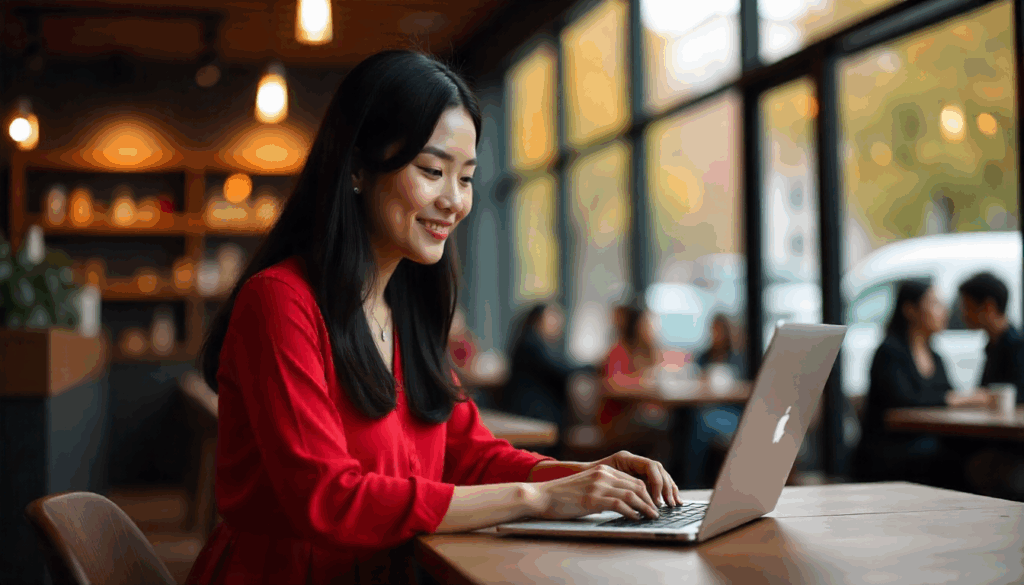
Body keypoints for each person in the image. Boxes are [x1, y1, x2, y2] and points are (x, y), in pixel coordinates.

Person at [187, 50, 679, 585]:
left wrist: (588, 475)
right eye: (431, 170)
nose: (454, 200)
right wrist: (536, 498)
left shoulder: (406, 309)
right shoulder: (280, 302)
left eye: (465, 178)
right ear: (356, 166)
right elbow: (327, 499)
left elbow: (467, 453)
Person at [854, 280, 988, 487]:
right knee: (955, 459)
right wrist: (958, 399)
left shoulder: (936, 356)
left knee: (975, 451)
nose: (943, 311)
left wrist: (960, 399)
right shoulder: (890, 352)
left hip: (925, 439)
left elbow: (947, 394)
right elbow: (903, 400)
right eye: (934, 304)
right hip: (891, 447)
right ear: (910, 310)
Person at [681, 314, 746, 488]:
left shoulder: (740, 358)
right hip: (705, 408)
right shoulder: (704, 355)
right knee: (689, 418)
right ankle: (685, 477)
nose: (715, 334)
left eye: (718, 330)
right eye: (712, 329)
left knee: (700, 422)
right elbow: (693, 379)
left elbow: (745, 389)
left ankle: (691, 482)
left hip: (735, 413)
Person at [597, 305, 670, 451]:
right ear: (637, 325)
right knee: (665, 426)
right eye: (648, 323)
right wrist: (643, 382)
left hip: (639, 415)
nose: (652, 328)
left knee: (676, 422)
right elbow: (612, 384)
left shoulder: (651, 353)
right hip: (617, 421)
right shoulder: (618, 350)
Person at [502, 303, 579, 432]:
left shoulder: (537, 343)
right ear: (538, 319)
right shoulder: (531, 344)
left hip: (535, 410)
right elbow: (559, 370)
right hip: (533, 412)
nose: (558, 323)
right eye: (553, 318)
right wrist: (590, 367)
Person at [959, 272, 1024, 403]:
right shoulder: (993, 345)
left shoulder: (1018, 346)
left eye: (967, 306)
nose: (963, 314)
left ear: (989, 306)